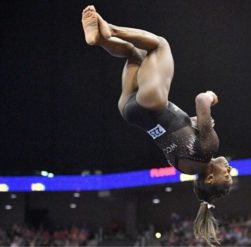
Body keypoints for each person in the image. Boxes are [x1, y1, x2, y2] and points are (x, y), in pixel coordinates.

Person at [81, 5, 233, 246]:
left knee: (160, 44)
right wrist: (192, 122)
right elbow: (172, 135)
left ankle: (109, 30)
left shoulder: (209, 148)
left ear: (211, 179)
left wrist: (211, 97)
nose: (229, 170)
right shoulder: (185, 168)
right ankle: (99, 39)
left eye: (227, 176)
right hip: (131, 111)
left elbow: (200, 100)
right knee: (134, 54)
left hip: (153, 102)